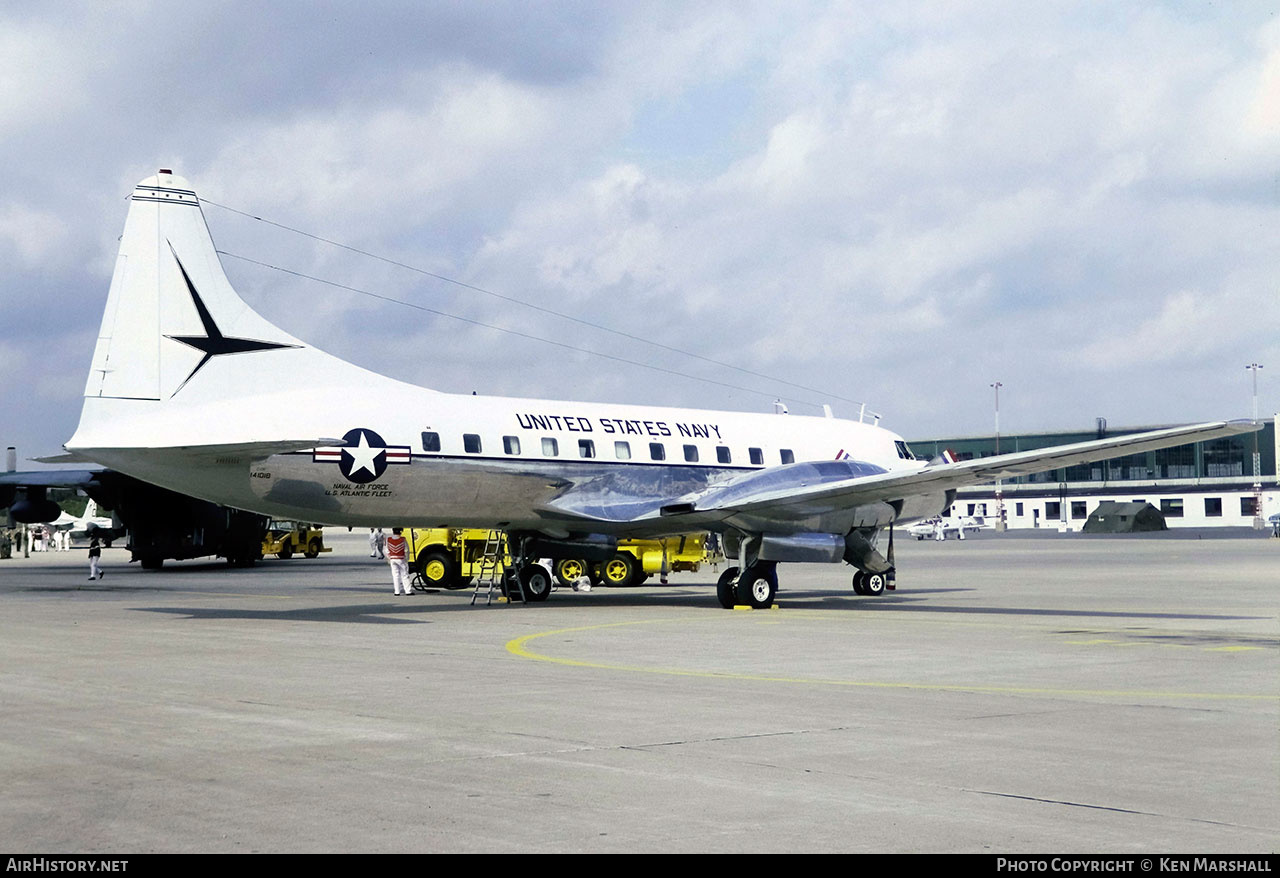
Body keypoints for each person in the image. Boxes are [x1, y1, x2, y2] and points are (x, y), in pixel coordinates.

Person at [385, 528, 411, 595]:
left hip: (392, 559)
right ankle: (408, 591)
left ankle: (397, 591)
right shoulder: (403, 539)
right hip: (401, 559)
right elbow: (406, 550)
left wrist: (389, 558)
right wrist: (407, 559)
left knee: (395, 575)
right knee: (404, 575)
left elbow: (386, 550)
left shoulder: (388, 539)